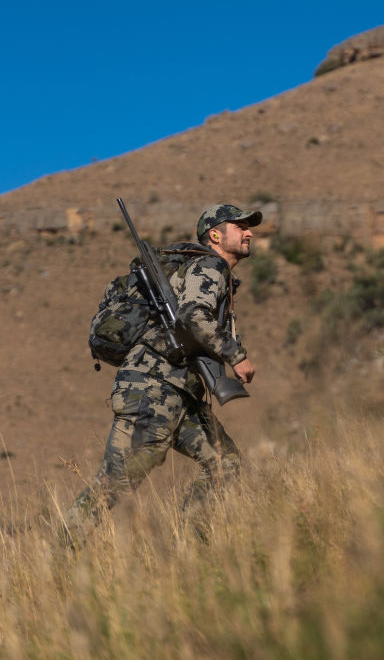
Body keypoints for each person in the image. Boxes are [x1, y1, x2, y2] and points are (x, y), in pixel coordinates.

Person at [66, 203, 260, 529]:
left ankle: (186, 548)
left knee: (226, 463)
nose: (249, 232)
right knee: (115, 483)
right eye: (239, 226)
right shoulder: (210, 266)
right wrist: (236, 356)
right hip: (152, 390)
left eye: (248, 227)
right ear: (215, 234)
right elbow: (193, 316)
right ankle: (55, 555)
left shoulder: (207, 270)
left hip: (177, 393)